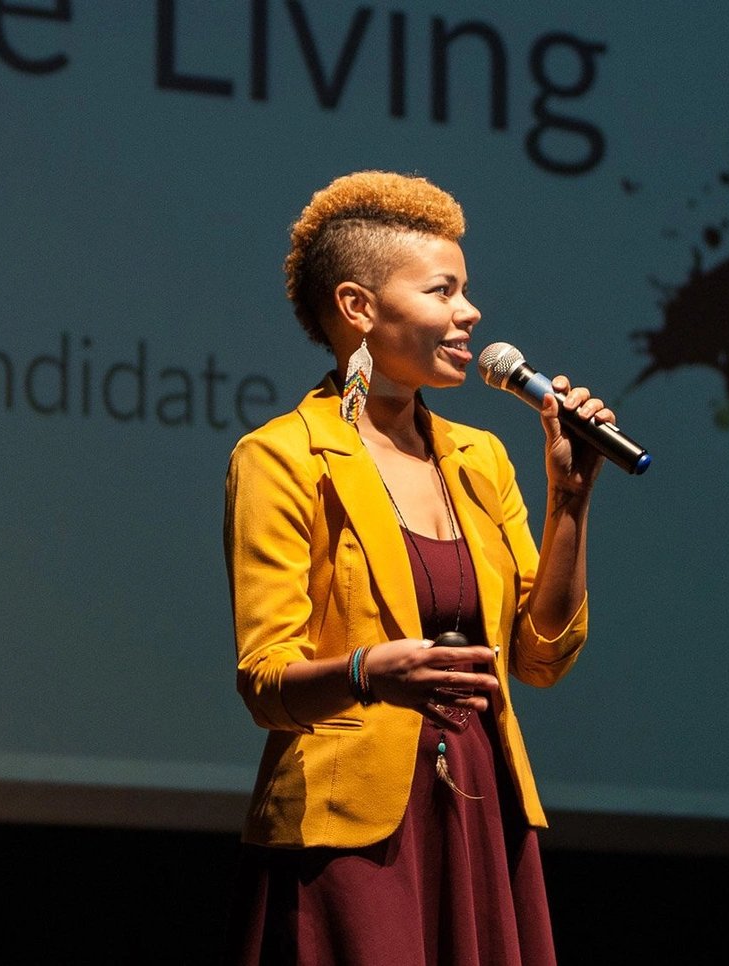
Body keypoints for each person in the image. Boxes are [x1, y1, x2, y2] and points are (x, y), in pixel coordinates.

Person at [224, 170, 614, 965]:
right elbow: (265, 683)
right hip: (355, 832)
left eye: (465, 291)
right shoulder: (284, 458)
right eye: (442, 291)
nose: (469, 312)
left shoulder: (481, 457)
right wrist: (371, 672)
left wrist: (567, 501)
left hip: (482, 806)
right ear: (358, 307)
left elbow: (540, 658)